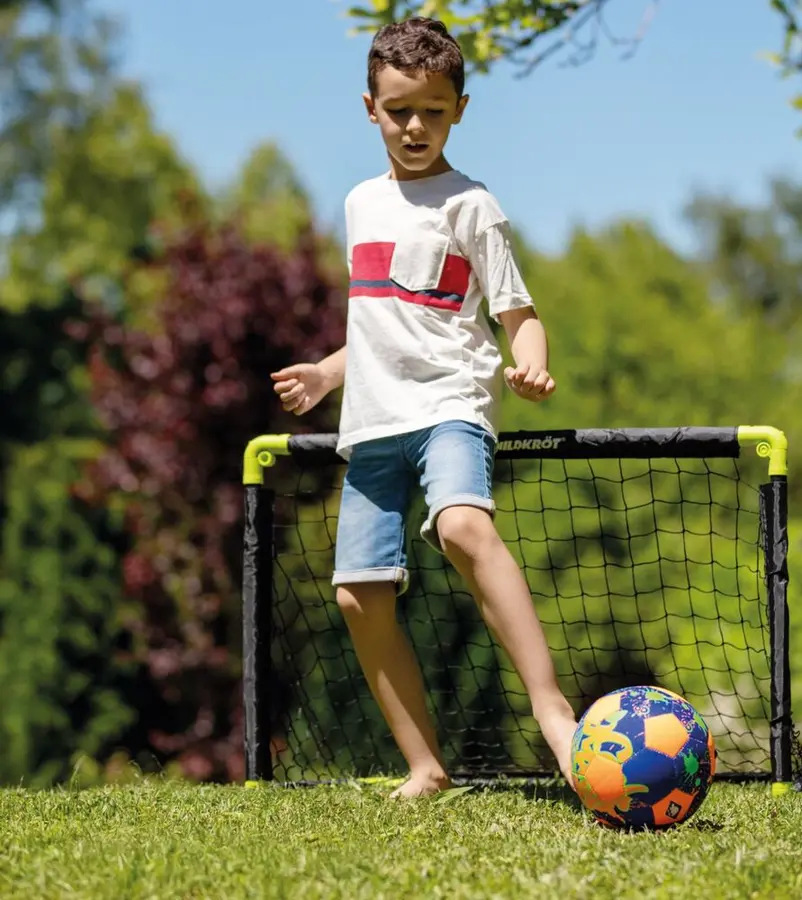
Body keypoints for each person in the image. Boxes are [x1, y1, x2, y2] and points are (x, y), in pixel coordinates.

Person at [271, 16, 577, 798]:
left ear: (460, 110)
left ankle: (552, 710)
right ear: (369, 108)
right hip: (373, 419)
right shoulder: (359, 205)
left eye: (433, 111)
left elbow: (519, 315)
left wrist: (532, 365)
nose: (415, 126)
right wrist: (328, 374)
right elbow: (381, 322)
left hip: (450, 403)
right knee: (358, 593)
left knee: (464, 526)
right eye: (400, 109)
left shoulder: (472, 205)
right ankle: (425, 766)